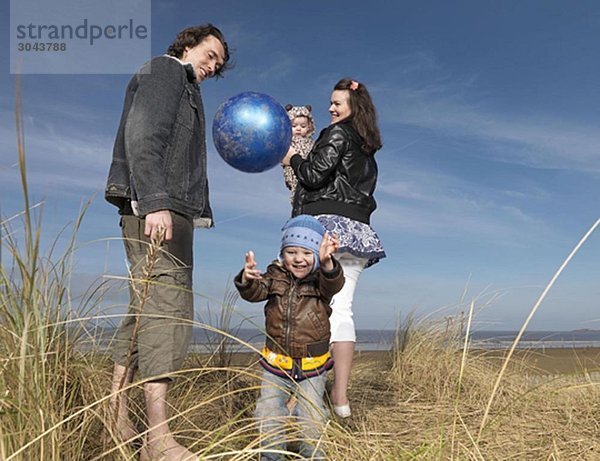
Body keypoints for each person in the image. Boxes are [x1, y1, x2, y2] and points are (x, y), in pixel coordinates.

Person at [104, 24, 231, 460]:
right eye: (209, 54)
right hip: (157, 209)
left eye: (218, 63)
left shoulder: (187, 89)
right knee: (168, 313)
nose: (212, 66)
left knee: (145, 312)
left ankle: (115, 419)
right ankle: (157, 440)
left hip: (169, 209)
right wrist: (155, 201)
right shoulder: (167, 71)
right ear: (187, 44)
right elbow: (144, 135)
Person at [282, 78, 386, 419]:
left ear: (353, 107)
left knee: (305, 309)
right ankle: (340, 399)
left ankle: (298, 396)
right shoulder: (367, 148)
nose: (330, 108)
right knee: (342, 310)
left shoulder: (337, 134)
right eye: (330, 102)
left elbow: (313, 175)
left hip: (325, 228)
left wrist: (293, 159)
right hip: (357, 233)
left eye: (337, 103)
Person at [234, 215, 345, 460]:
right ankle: (272, 456)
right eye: (291, 251)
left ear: (317, 255)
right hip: (276, 364)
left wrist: (328, 263)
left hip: (312, 366)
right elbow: (254, 292)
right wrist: (247, 278)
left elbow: (334, 283)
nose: (298, 259)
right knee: (269, 411)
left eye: (307, 252)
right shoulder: (275, 276)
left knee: (311, 416)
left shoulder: (321, 281)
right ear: (282, 254)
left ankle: (314, 455)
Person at [281, 104, 316, 204]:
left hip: (308, 173)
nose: (298, 129)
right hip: (292, 172)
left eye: (303, 126)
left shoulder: (312, 144)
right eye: (294, 126)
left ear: (309, 127)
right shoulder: (287, 142)